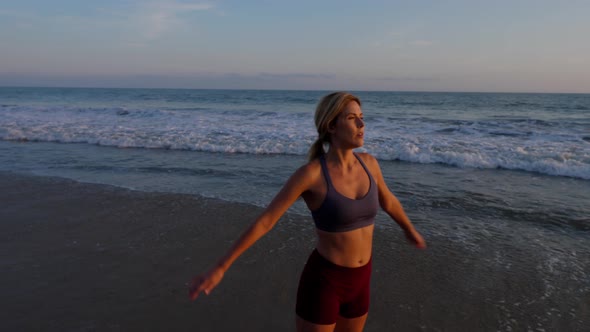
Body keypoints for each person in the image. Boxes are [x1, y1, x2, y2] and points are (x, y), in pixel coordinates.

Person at [189, 92, 426, 332]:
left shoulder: (370, 164)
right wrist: (222, 266)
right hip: (325, 283)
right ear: (332, 125)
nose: (362, 124)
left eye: (362, 117)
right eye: (353, 118)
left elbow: (389, 201)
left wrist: (409, 229)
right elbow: (266, 221)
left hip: (361, 280)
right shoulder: (311, 175)